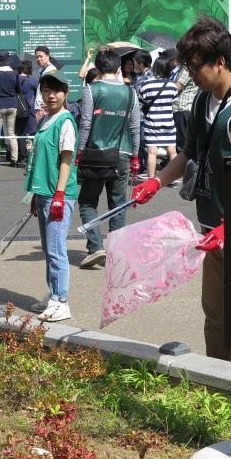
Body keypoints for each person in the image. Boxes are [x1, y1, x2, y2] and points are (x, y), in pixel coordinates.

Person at [132, 17, 231, 360]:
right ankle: (220, 377)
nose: (189, 74)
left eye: (194, 66)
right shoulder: (202, 101)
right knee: (216, 313)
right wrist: (156, 180)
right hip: (212, 226)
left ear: (220, 62)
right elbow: (189, 152)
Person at [76, 48, 140, 269]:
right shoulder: (130, 93)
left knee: (87, 201)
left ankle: (96, 247)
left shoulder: (91, 90)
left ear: (97, 67)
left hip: (95, 154)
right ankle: (116, 252)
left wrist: (80, 152)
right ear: (119, 67)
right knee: (118, 204)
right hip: (122, 154)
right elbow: (135, 127)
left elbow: (85, 124)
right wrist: (135, 155)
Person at [25, 71, 79, 322]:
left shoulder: (65, 121)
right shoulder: (45, 120)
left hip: (59, 195)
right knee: (49, 249)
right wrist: (36, 195)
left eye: (56, 90)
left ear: (66, 93)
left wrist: (59, 194)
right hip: (44, 192)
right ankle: (53, 295)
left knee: (57, 250)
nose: (51, 95)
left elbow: (66, 160)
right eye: (46, 91)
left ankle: (61, 300)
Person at [138, 57, 179, 179]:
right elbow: (174, 101)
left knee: (152, 152)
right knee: (172, 151)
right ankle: (172, 178)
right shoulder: (172, 86)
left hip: (152, 122)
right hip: (168, 122)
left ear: (154, 68)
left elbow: (141, 101)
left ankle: (151, 179)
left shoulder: (146, 84)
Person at [0, 51, 21, 168]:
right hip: (12, 104)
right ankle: (15, 160)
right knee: (11, 132)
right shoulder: (14, 74)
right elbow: (18, 90)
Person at [171, 51, 199, 153]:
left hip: (182, 108)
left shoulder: (187, 68)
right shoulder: (185, 67)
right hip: (184, 109)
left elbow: (178, 87)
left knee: (182, 144)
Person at [15, 60, 38, 168]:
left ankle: (22, 156)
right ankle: (33, 156)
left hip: (18, 109)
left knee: (20, 133)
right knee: (33, 133)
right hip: (30, 109)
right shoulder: (32, 81)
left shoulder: (15, 79)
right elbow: (38, 93)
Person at [33, 46, 57, 121]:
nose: (39, 59)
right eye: (37, 57)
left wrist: (47, 102)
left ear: (47, 56)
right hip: (41, 108)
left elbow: (54, 88)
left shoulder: (51, 70)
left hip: (45, 108)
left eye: (41, 56)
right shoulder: (43, 70)